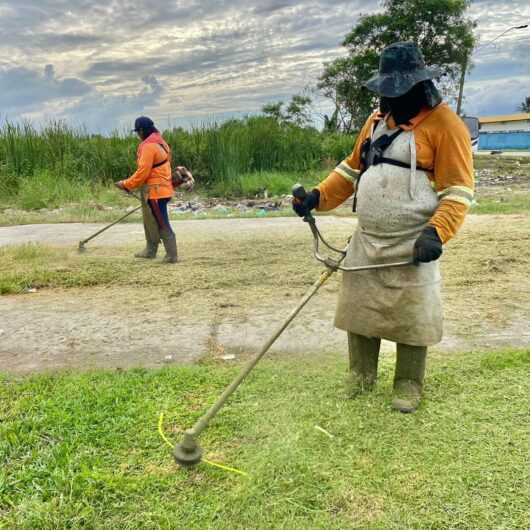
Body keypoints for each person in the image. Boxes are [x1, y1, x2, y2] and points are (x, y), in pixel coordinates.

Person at [293, 42, 474, 413]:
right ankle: (360, 375)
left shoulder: (446, 126)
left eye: (398, 89)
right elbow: (350, 169)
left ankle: (408, 383)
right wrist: (317, 196)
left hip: (413, 242)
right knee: (360, 309)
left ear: (419, 86)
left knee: (413, 313)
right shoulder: (376, 122)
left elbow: (459, 190)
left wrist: (436, 232)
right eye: (385, 90)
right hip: (368, 239)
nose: (389, 97)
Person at [115, 117, 178, 263]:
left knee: (161, 222)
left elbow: (143, 172)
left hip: (156, 191)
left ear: (142, 131)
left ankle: (171, 255)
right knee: (150, 220)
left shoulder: (148, 146)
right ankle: (150, 250)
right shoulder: (161, 142)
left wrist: (125, 184)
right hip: (161, 188)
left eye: (138, 132)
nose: (138, 135)